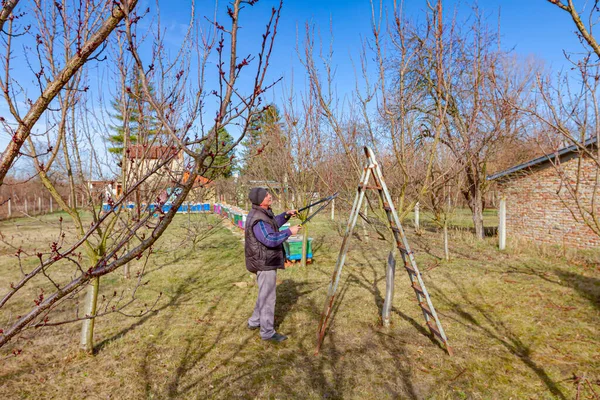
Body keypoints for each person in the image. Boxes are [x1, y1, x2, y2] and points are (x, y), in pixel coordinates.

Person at [245, 187, 301, 342]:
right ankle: (267, 332)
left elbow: (272, 223)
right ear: (260, 200)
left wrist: (286, 215)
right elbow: (270, 239)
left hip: (264, 260)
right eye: (267, 195)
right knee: (268, 297)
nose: (270, 196)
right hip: (265, 262)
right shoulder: (258, 219)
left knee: (264, 292)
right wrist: (289, 232)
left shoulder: (262, 214)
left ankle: (254, 321)